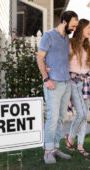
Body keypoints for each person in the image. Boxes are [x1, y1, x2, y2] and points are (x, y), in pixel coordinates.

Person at [36, 10, 79, 164]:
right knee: (52, 118)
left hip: (66, 83)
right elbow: (39, 57)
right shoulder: (48, 36)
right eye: (73, 26)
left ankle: (55, 147)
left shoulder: (66, 37)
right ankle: (47, 151)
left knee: (61, 118)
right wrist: (46, 78)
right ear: (64, 21)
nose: (74, 29)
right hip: (52, 83)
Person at [64, 19, 90, 156]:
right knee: (82, 114)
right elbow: (63, 63)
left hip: (87, 82)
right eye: (89, 27)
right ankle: (70, 139)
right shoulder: (70, 43)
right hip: (74, 81)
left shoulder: (87, 46)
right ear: (81, 28)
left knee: (84, 116)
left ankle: (80, 145)